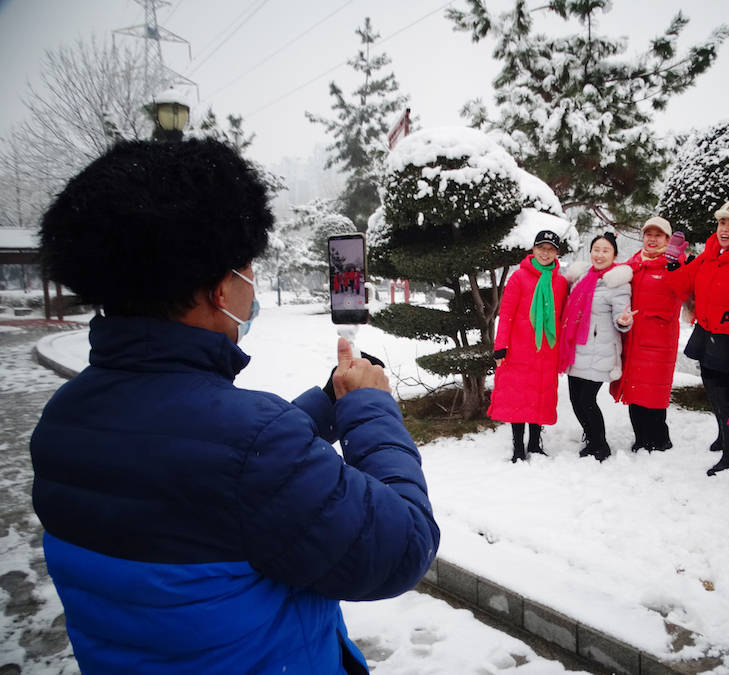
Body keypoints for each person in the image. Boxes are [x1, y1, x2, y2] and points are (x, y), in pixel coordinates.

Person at [30, 139, 439, 674]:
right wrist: (370, 407)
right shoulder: (251, 446)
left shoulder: (65, 416)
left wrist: (325, 402)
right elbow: (402, 545)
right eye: (246, 267)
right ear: (222, 289)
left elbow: (208, 463)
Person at [666, 198, 729, 477]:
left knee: (724, 398)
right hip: (707, 331)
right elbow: (682, 283)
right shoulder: (711, 255)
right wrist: (672, 263)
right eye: (722, 222)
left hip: (728, 339)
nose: (724, 228)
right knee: (712, 392)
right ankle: (724, 435)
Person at [489, 229, 568, 462]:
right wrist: (500, 345)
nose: (545, 253)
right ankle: (517, 448)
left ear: (556, 253)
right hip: (519, 350)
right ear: (533, 250)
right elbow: (506, 314)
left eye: (550, 249)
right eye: (541, 248)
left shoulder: (561, 282)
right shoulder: (518, 278)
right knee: (517, 398)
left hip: (546, 352)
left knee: (539, 398)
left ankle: (535, 444)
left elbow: (562, 317)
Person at [558, 232, 635, 461]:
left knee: (586, 400)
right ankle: (591, 438)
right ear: (590, 252)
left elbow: (621, 317)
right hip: (576, 349)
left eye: (605, 250)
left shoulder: (617, 283)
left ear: (614, 255)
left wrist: (624, 321)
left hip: (599, 351)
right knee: (575, 400)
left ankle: (600, 445)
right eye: (596, 249)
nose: (600, 254)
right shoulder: (581, 279)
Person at [611, 216, 685, 452]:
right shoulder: (633, 264)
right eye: (648, 234)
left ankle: (659, 440)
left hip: (659, 341)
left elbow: (684, 289)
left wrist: (675, 265)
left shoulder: (674, 264)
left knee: (653, 393)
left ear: (666, 239)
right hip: (633, 339)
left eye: (658, 235)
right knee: (634, 390)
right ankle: (641, 439)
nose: (652, 239)